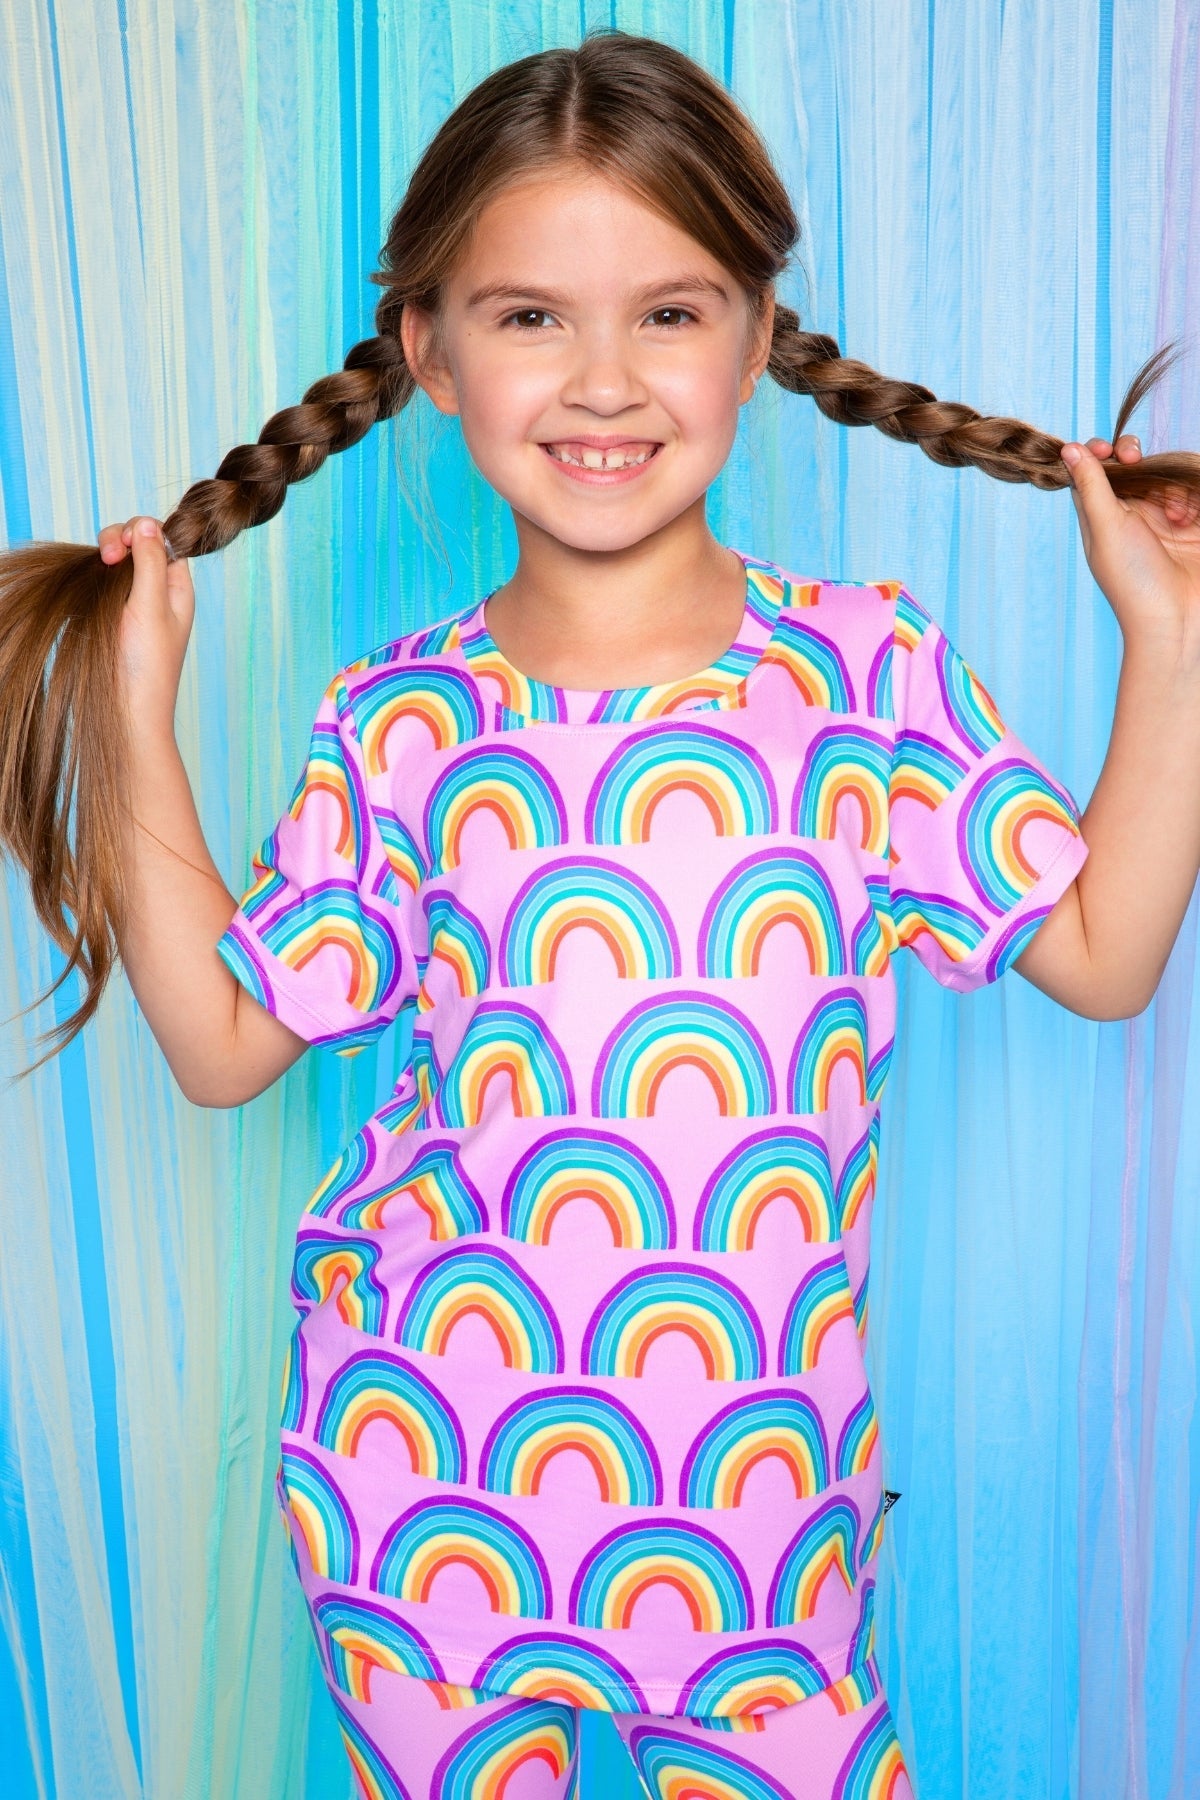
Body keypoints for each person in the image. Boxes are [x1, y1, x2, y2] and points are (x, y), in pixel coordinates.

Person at [3, 30, 1199, 1800]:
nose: (605, 381)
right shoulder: (397, 718)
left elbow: (1105, 957)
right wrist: (131, 717)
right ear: (430, 352)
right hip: (421, 1504)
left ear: (757, 335)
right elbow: (224, 1046)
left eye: (670, 310)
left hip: (758, 1534)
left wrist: (1172, 639)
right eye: (529, 316)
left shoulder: (867, 676)